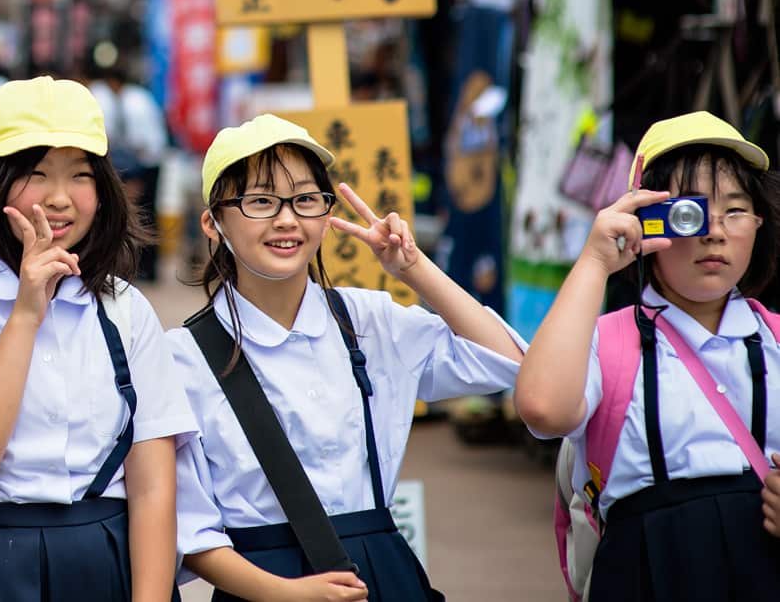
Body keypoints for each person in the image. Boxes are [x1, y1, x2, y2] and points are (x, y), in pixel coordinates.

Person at [173, 115, 525, 601]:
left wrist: (416, 271)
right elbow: (190, 532)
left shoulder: (371, 320)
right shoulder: (182, 357)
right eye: (259, 201)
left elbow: (508, 363)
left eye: (304, 199)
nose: (286, 219)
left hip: (381, 574)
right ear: (212, 222)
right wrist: (285, 594)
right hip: (260, 587)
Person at [0, 75, 195, 601]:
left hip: (108, 557)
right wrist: (27, 312)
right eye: (35, 174)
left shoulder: (125, 309)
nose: (59, 198)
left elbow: (152, 486)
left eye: (81, 175)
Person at [517, 112, 780, 600]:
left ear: (759, 223)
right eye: (689, 213)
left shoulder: (776, 340)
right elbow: (543, 408)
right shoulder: (606, 344)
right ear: (644, 220)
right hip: (646, 574)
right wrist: (594, 261)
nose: (714, 232)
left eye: (736, 211)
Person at [89, 65, 169, 280]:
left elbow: (147, 143)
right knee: (122, 214)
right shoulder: (104, 97)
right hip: (123, 163)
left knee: (145, 215)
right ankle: (124, 266)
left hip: (146, 164)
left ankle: (149, 268)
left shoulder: (138, 102)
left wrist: (136, 177)